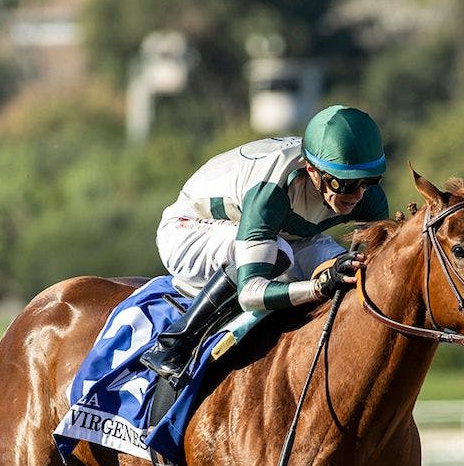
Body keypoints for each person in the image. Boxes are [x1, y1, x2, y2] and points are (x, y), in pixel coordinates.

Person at [140, 104, 391, 384]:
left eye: (368, 181)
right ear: (312, 170)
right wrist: (318, 286)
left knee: (348, 267)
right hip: (189, 229)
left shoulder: (366, 193)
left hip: (280, 231)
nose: (357, 194)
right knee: (279, 254)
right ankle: (174, 344)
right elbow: (250, 292)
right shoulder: (271, 190)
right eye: (344, 185)